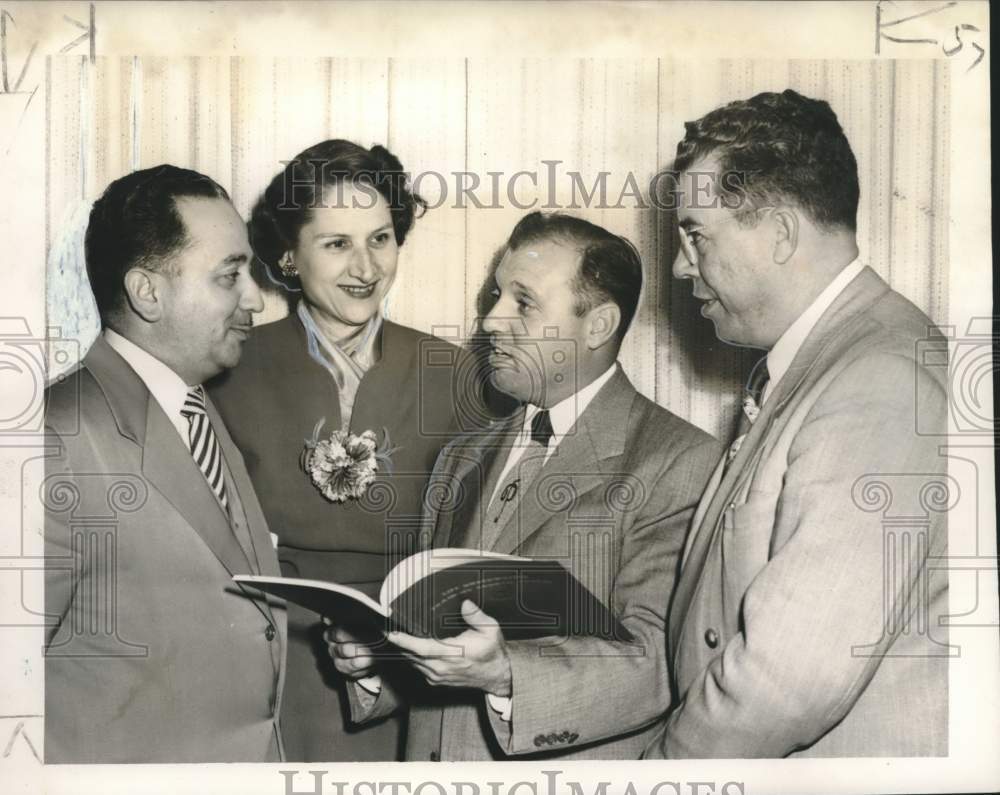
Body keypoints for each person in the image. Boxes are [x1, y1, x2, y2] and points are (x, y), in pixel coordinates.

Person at [330, 211, 722, 760]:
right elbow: (436, 643)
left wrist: (505, 673)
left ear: (598, 325)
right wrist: (380, 661)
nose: (491, 320)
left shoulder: (680, 461)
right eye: (496, 296)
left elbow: (659, 661)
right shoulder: (461, 455)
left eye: (523, 302)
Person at [643, 89, 949, 758]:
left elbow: (789, 678)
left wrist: (660, 774)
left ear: (780, 233)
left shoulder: (879, 376)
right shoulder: (831, 362)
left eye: (695, 234)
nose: (677, 265)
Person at [207, 139, 484, 762]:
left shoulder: (457, 375)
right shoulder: (229, 367)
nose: (365, 266)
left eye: (380, 239)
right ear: (287, 254)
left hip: (414, 675)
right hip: (264, 667)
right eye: (336, 244)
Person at [43, 165, 286, 762]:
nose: (254, 298)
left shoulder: (195, 405)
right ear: (147, 292)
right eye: (230, 275)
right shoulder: (51, 437)